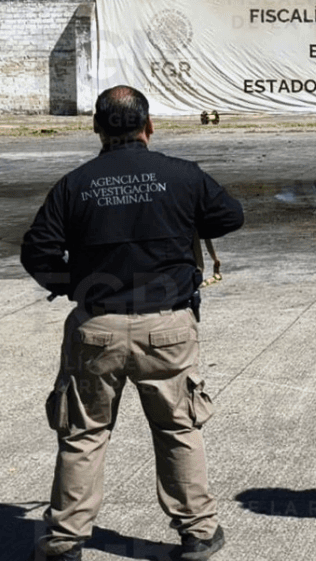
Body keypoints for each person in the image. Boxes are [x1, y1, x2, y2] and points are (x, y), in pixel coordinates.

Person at [21, 85, 243, 561]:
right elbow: (230, 216)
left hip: (96, 328)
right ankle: (199, 534)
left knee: (83, 434)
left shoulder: (74, 184)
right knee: (178, 428)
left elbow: (36, 250)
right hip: (168, 328)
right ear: (149, 126)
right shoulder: (182, 177)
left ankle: (64, 540)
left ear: (97, 128)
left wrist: (75, 284)